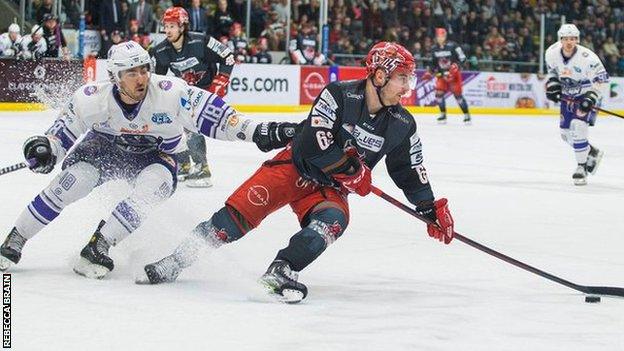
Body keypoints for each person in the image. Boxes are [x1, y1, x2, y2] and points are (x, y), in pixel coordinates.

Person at [137, 42, 455, 304]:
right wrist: (350, 170)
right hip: (294, 167)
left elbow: (408, 169)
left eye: (409, 79)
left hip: (328, 188)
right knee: (231, 223)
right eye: (402, 78)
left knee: (333, 222)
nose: (407, 87)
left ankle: (282, 270)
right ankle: (174, 261)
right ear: (381, 74)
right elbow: (314, 140)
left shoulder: (402, 124)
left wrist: (428, 207)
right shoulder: (339, 95)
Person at [0, 41, 296, 278]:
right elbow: (59, 137)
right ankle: (15, 240)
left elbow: (219, 117)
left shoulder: (171, 93)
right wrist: (46, 148)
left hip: (156, 156)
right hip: (103, 150)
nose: (141, 78)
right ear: (115, 77)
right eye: (132, 72)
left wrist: (260, 131)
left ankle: (98, 246)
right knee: (74, 182)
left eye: (144, 70)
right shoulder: (91, 98)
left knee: (152, 189)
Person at [151, 7, 236, 188]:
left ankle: (202, 168)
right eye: (166, 26)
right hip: (185, 91)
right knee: (173, 123)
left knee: (191, 126)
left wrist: (221, 81)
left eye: (172, 26)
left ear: (182, 27)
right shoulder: (161, 51)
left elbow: (228, 56)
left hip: (206, 90)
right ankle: (183, 165)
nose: (167, 30)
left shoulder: (201, 41)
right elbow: (155, 79)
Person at [545, 24, 608, 186]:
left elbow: (602, 79)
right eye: (566, 39)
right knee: (566, 134)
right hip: (568, 96)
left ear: (577, 40)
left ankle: (581, 167)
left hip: (587, 94)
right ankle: (591, 151)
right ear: (561, 39)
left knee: (578, 126)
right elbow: (553, 71)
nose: (569, 42)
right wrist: (553, 85)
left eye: (572, 39)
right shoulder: (551, 53)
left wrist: (591, 97)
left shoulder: (588, 57)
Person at [423, 28, 471, 124]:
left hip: (454, 74)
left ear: (445, 36)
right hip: (441, 75)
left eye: (442, 36)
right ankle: (443, 114)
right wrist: (429, 72)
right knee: (439, 94)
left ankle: (466, 115)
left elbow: (463, 58)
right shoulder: (433, 49)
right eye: (438, 36)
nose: (440, 38)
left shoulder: (453, 46)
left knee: (458, 96)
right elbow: (432, 63)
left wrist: (457, 65)